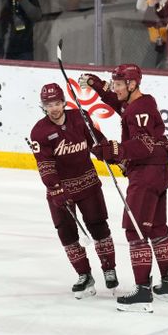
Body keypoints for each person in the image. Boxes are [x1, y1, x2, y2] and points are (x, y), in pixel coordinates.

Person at [82, 64, 168, 313]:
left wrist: (115, 151)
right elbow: (120, 104)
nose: (115, 88)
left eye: (118, 84)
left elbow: (143, 144)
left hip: (146, 173)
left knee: (135, 231)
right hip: (159, 171)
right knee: (157, 228)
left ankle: (143, 292)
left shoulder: (138, 111)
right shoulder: (140, 102)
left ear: (132, 85)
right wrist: (99, 88)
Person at [28, 83, 119, 299]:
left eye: (57, 103)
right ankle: (84, 275)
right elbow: (45, 164)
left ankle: (109, 268)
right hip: (59, 190)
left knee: (98, 226)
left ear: (64, 102)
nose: (54, 108)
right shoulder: (39, 131)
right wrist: (55, 188)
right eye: (49, 104)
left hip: (88, 184)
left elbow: (97, 141)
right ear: (43, 106)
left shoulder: (81, 118)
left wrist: (109, 154)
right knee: (67, 233)